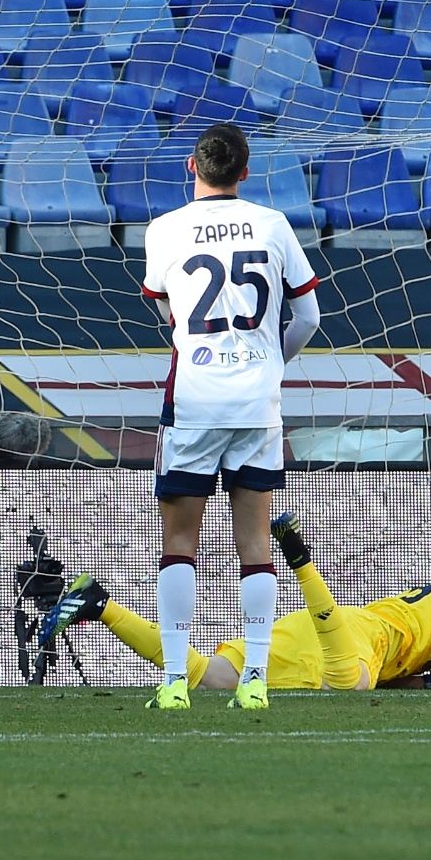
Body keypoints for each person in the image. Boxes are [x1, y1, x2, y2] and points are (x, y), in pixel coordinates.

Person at [138, 123, 322, 711]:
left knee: (179, 541)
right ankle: (256, 681)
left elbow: (167, 311)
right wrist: (271, 362)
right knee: (255, 545)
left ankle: (172, 681)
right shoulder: (272, 224)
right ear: (247, 171)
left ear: (192, 166)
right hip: (256, 402)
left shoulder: (162, 230)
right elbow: (309, 316)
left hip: (193, 399)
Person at [43, 513, 431, 692]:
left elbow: (416, 677)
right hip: (352, 642)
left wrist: (424, 684)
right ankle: (300, 559)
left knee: (210, 677)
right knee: (352, 685)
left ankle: (99, 603)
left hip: (320, 630)